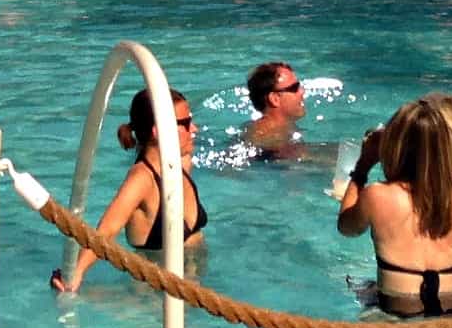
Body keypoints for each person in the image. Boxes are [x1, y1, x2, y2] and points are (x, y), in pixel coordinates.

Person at [338, 95, 452, 317]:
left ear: (395, 146)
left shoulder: (377, 195)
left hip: (393, 312)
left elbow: (346, 227)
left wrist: (363, 165)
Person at [52, 87, 206, 293]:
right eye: (186, 124)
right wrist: (76, 273)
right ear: (158, 131)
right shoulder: (142, 179)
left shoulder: (180, 163)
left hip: (196, 284)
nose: (194, 129)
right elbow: (107, 230)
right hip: (156, 296)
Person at [244, 61, 309, 153]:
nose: (302, 91)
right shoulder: (268, 132)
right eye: (295, 88)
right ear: (275, 99)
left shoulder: (279, 128)